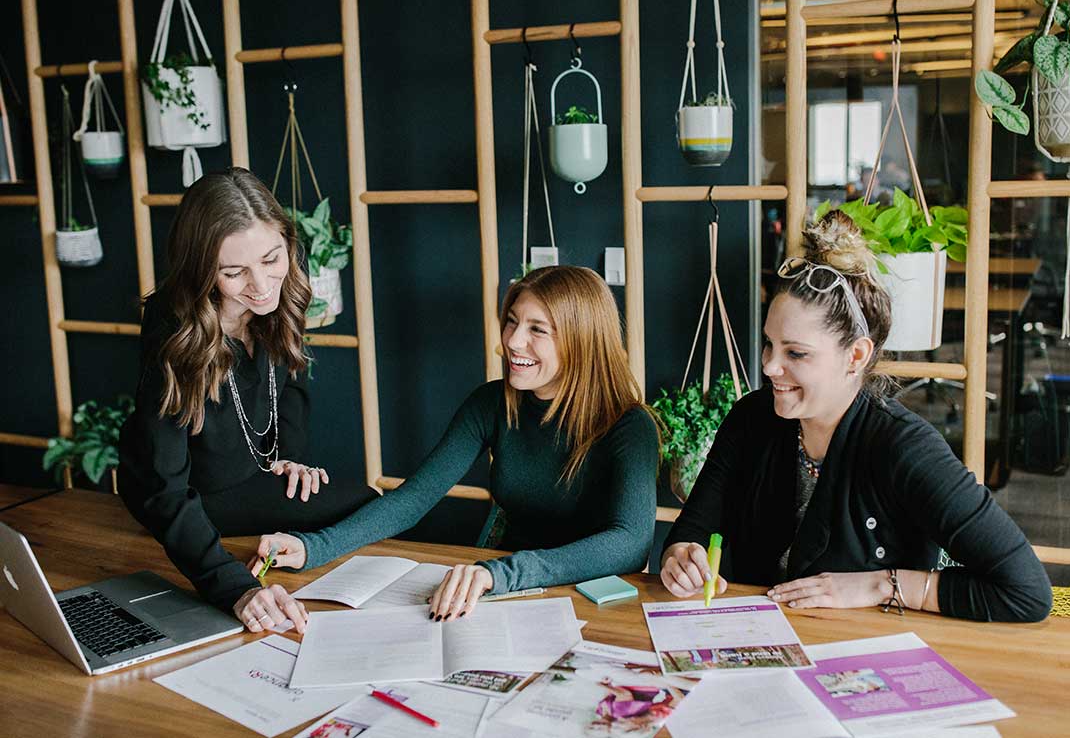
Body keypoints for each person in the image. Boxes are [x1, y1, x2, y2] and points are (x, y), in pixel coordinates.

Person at [660, 211, 1052, 623]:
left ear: (857, 356)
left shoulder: (905, 447)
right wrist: (683, 557)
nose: (770, 366)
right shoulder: (751, 419)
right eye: (769, 345)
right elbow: (693, 529)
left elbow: (1026, 590)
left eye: (796, 353)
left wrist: (883, 584)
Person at [255, 266, 660, 620]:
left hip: (585, 595)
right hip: (495, 583)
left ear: (584, 341)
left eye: (537, 330)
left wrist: (502, 573)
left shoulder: (629, 427)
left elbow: (629, 542)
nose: (512, 342)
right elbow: (414, 499)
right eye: (512, 322)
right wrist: (313, 547)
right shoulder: (492, 402)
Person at [118, 168, 377, 634]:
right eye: (234, 272)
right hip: (190, 492)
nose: (261, 285)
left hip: (254, 472)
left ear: (285, 241)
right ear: (202, 270)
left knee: (367, 505)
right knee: (364, 504)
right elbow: (164, 490)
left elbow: (291, 389)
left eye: (271, 259)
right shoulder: (173, 331)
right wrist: (237, 590)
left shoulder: (280, 295)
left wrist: (293, 460)